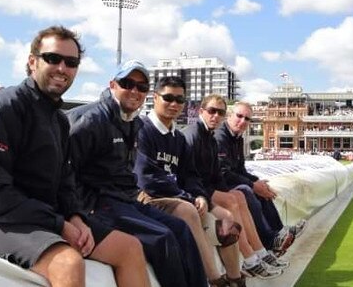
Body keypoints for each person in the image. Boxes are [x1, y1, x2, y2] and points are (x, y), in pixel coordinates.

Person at [0, 26, 149, 287]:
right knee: (68, 262)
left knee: (130, 248)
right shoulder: (0, 107)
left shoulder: (59, 120)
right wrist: (59, 224)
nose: (62, 68)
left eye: (71, 62)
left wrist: (76, 216)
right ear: (33, 62)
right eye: (53, 58)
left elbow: (65, 180)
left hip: (40, 215)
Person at [67, 60, 207, 287]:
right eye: (127, 83)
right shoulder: (91, 121)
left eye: (141, 87)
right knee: (162, 237)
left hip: (123, 199)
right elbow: (65, 171)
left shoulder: (131, 122)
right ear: (113, 85)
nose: (135, 91)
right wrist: (79, 211)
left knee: (180, 228)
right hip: (97, 202)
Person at [134, 76, 245, 287]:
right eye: (168, 98)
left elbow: (191, 175)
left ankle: (235, 280)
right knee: (187, 211)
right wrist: (187, 197)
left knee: (227, 228)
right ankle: (215, 280)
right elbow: (146, 178)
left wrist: (200, 196)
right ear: (155, 98)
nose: (174, 104)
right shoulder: (142, 130)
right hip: (148, 198)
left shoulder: (178, 138)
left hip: (179, 198)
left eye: (180, 99)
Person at [182, 94, 286, 280]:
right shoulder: (194, 135)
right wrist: (210, 194)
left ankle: (260, 252)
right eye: (212, 111)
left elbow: (216, 174)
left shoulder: (210, 138)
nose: (215, 116)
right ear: (201, 111)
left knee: (238, 195)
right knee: (235, 197)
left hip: (205, 186)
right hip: (195, 190)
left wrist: (229, 191)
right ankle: (250, 258)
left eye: (219, 112)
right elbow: (189, 176)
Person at [214, 101, 304, 254]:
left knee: (260, 185)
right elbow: (223, 173)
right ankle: (269, 239)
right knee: (247, 190)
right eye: (239, 116)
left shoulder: (237, 137)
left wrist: (256, 182)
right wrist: (252, 184)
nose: (243, 121)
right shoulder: (220, 137)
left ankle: (280, 233)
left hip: (228, 180)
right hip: (219, 185)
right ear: (229, 116)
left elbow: (240, 169)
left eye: (247, 119)